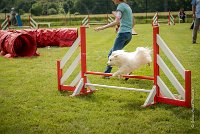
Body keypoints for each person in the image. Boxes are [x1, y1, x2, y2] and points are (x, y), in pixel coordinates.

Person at [94, 0, 134, 77]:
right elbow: (133, 20)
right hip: (129, 35)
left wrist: (102, 28)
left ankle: (106, 74)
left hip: (122, 34)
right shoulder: (127, 6)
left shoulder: (120, 6)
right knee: (115, 55)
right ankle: (126, 72)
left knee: (112, 55)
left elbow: (116, 21)